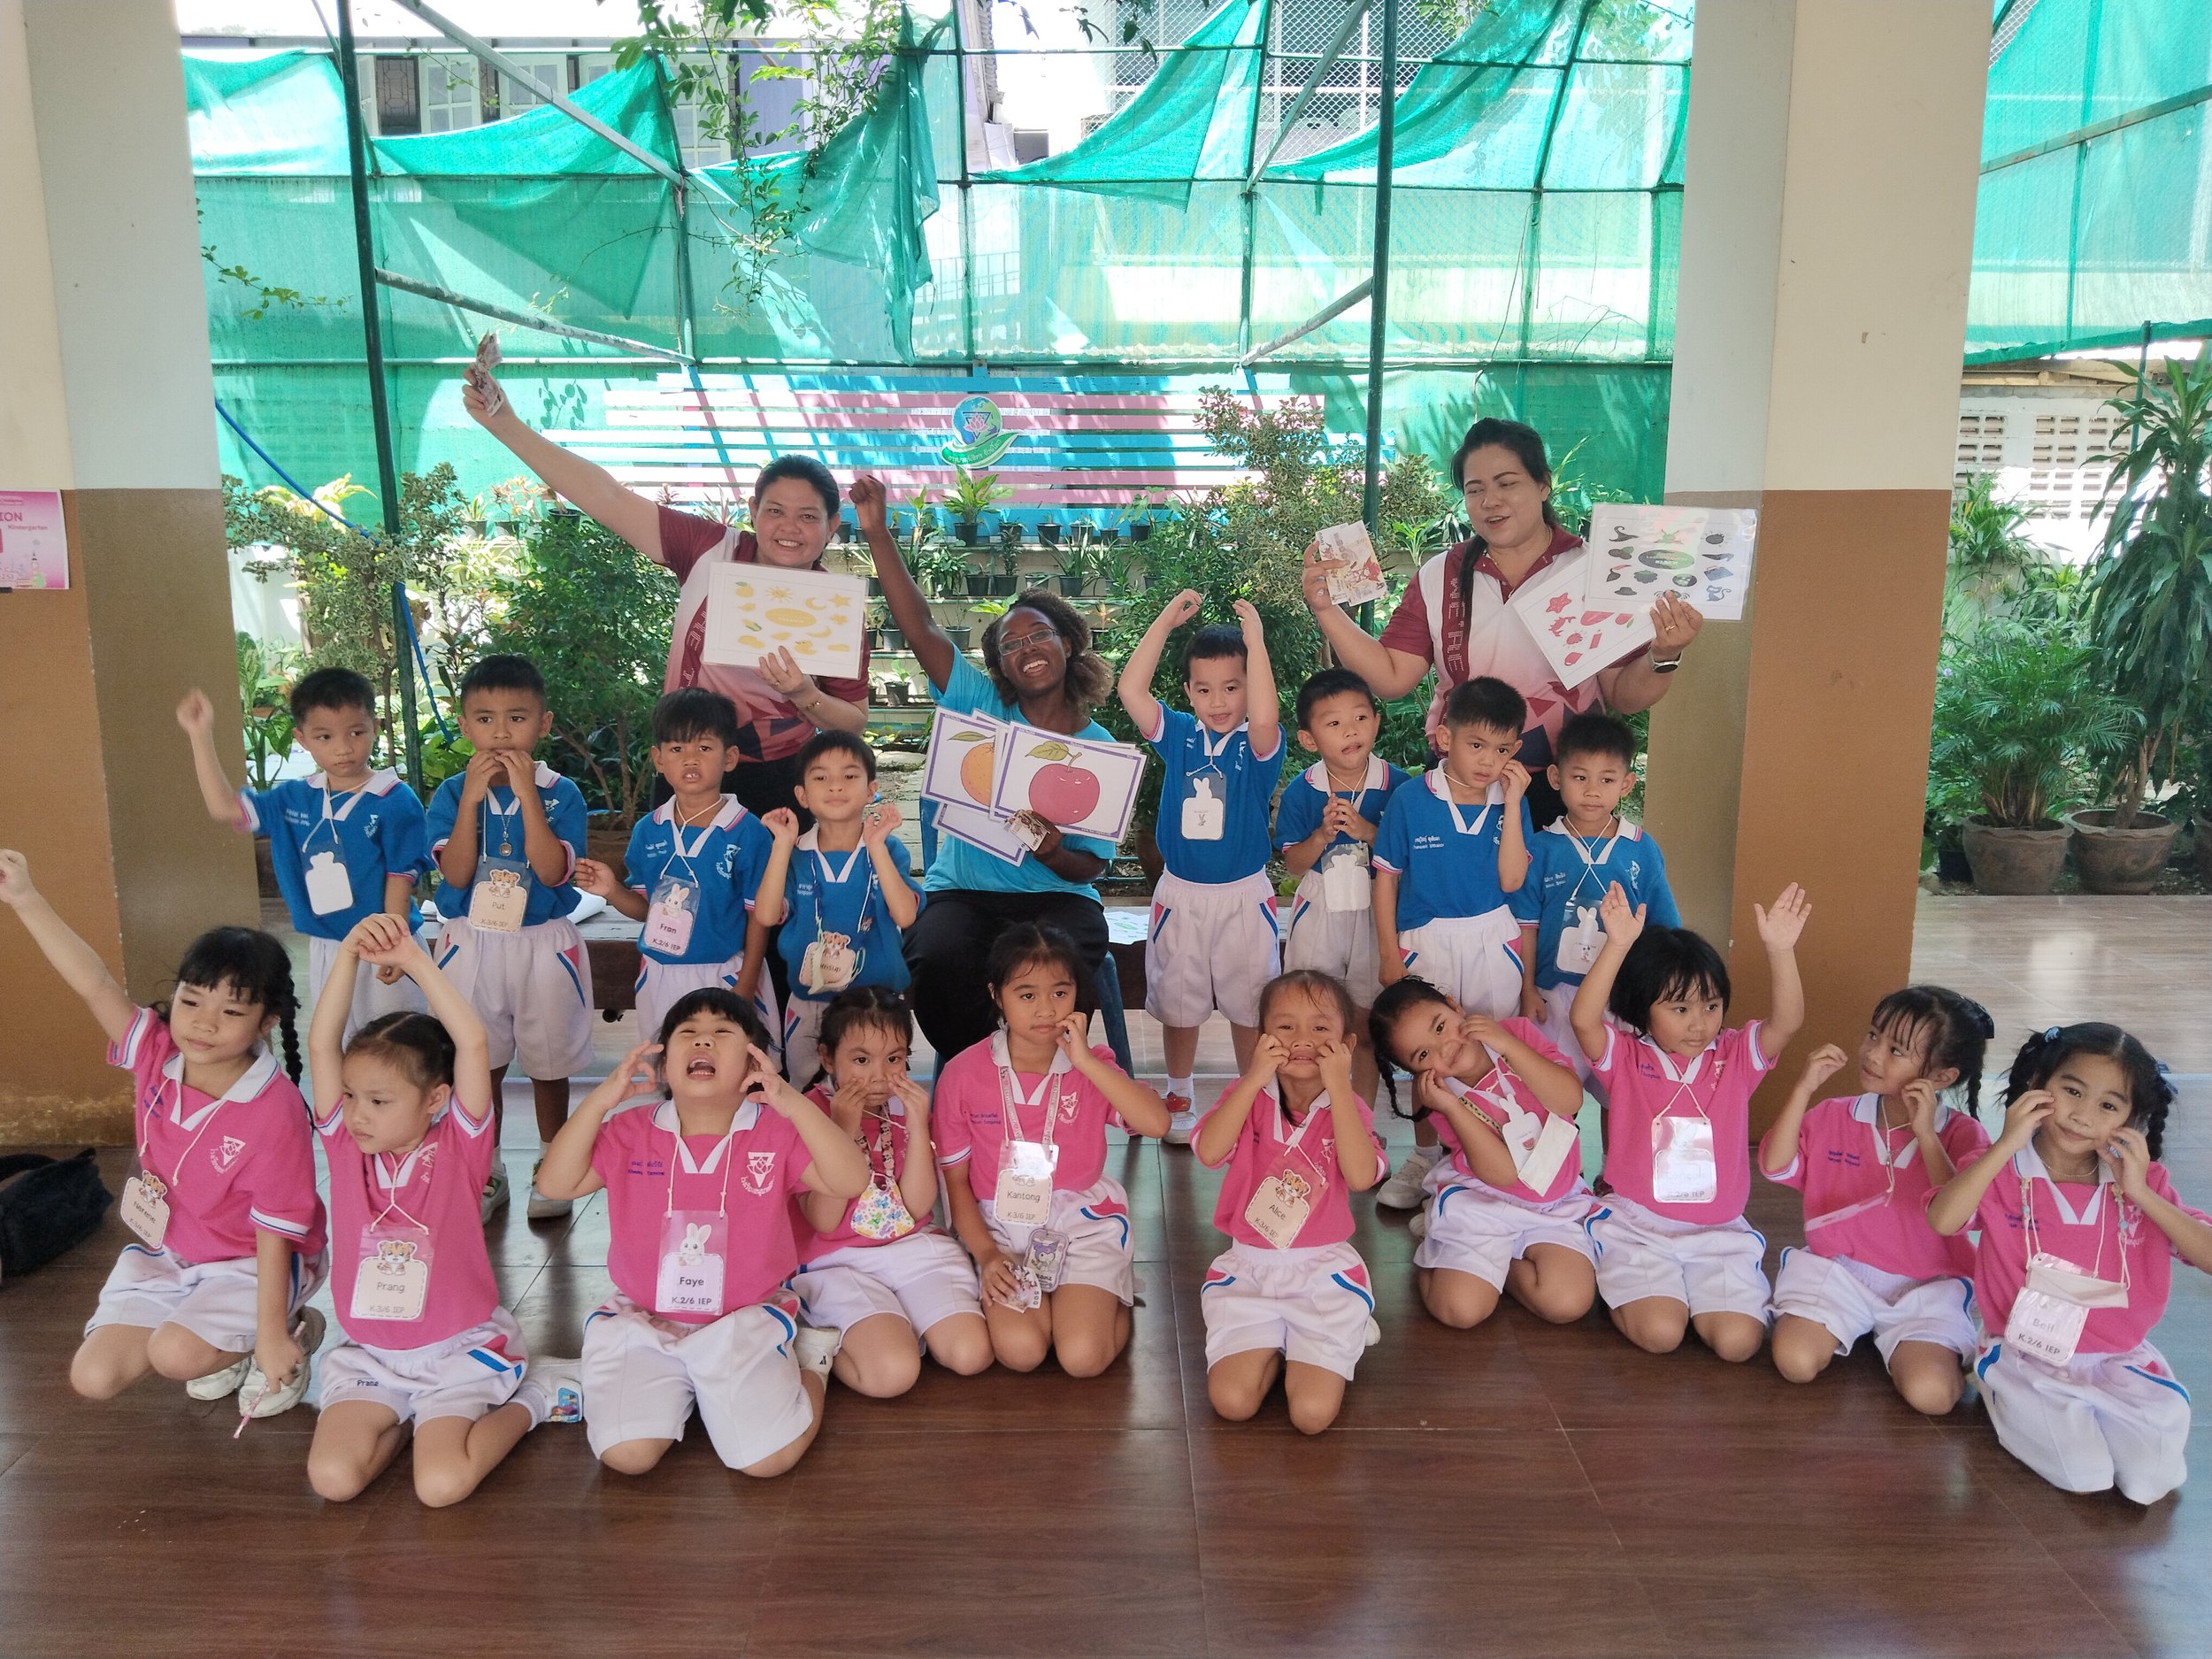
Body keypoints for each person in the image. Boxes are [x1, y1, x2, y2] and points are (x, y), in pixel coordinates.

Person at [462, 362, 868, 824]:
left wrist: (803, 693)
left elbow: (853, 721)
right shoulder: (709, 549)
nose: (789, 528)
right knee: (677, 895)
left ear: (833, 525)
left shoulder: (836, 612)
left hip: (781, 779)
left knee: (774, 897)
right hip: (686, 769)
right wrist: (504, 423)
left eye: (809, 517)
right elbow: (608, 497)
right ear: (753, 510)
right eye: (775, 510)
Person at [0, 850, 326, 1418]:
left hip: (253, 1262)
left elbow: (275, 1232)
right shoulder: (156, 1050)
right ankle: (218, 1342)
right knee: (93, 1377)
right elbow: (93, 981)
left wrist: (272, 1333)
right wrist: (25, 897)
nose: (202, 1023)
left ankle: (286, 1333)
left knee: (175, 1356)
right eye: (191, 1001)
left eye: (230, 1013)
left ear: (266, 1022)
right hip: (172, 1251)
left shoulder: (274, 1110)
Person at [1300, 417, 1702, 829]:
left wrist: (1665, 653)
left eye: (1506, 483)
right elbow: (1391, 678)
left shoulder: (1594, 570)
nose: (1490, 500)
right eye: (1475, 490)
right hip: (1460, 784)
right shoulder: (1441, 575)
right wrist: (1327, 611)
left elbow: (1623, 694)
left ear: (1543, 485)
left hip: (1564, 787)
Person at [303, 916, 580, 1507]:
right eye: (351, 1096)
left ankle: (535, 1397)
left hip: (456, 1352)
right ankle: (405, 1418)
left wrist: (416, 959)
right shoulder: (344, 1146)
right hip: (374, 1357)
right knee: (332, 1477)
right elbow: (321, 1044)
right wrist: (348, 954)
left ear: (435, 1098)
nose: (357, 1114)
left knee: (441, 1485)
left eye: (379, 1101)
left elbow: (474, 1043)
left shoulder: (460, 1147)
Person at [534, 989, 868, 1478]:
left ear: (755, 1061)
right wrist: (603, 1097)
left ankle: (810, 1363)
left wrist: (791, 1101)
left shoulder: (775, 1130)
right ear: (665, 1062)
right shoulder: (629, 1131)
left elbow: (849, 1180)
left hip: (742, 1320)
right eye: (687, 1034)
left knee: (765, 1462)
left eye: (723, 1034)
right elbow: (555, 1184)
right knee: (626, 1457)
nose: (702, 1043)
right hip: (645, 1320)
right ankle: (688, 1386)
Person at [863, 474, 1121, 1064]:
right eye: (1010, 643)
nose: (1026, 647)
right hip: (965, 895)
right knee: (938, 953)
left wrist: (1053, 851)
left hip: (1058, 898)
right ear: (999, 664)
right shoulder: (976, 701)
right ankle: (973, 1076)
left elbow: (1091, 865)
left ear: (1069, 643)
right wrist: (878, 532)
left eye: (1039, 634)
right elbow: (919, 626)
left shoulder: (1099, 746)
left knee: (1064, 958)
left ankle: (1042, 1074)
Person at [1931, 1025, 2212, 1505]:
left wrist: (2141, 1193)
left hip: (2117, 1360)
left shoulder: (2142, 1182)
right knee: (2083, 1473)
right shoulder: (2001, 1168)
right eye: (2072, 1090)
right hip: (2027, 1353)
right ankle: (2001, 1391)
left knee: (2151, 1481)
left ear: (2131, 1117)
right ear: (2041, 1082)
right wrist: (2003, 1146)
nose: (2082, 1115)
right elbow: (1943, 1219)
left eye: (2109, 1105)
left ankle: (2096, 1412)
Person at [1570, 880, 1811, 1363]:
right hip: (1639, 1227)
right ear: (1644, 1009)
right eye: (1679, 1009)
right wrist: (1618, 945)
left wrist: (1781, 951)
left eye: (1711, 1006)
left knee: (1740, 1345)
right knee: (1662, 1334)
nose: (1699, 1023)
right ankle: (1625, 1279)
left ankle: (1684, 1294)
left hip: (1719, 1235)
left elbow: (1786, 1023)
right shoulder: (1626, 1058)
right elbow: (1582, 1020)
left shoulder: (1737, 1055)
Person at [933, 924, 1171, 1377]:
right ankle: (1076, 1304)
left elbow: (1156, 1124)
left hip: (1083, 1228)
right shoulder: (962, 1075)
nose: (1046, 1009)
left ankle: (1112, 1293)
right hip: (1000, 1230)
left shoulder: (1092, 1064)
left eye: (1060, 993)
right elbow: (957, 1183)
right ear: (996, 995)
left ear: (1077, 994)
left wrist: (1085, 1061)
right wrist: (986, 1255)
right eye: (1026, 995)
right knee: (1021, 1353)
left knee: (1081, 1359)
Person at [1759, 987, 1993, 1415]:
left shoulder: (1965, 1136)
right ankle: (1852, 1327)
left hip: (1925, 1289)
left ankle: (1905, 1342)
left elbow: (1957, 1218)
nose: (1872, 1053)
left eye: (1896, 1050)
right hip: (1840, 1275)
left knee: (1934, 1398)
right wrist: (1803, 1088)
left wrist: (1926, 1135)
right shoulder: (1835, 1114)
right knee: (1794, 1361)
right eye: (1872, 1036)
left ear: (1942, 1077)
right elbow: (1775, 1167)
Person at [425, 655, 596, 1224]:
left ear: (543, 724)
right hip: (470, 939)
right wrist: (472, 802)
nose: (501, 732)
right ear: (464, 723)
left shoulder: (560, 791)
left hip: (541, 940)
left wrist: (526, 796)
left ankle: (554, 1165)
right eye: (485, 718)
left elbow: (551, 873)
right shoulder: (451, 794)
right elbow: (454, 876)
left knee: (549, 1060)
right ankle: (486, 1167)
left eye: (517, 717)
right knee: (480, 1058)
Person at [177, 672, 429, 1041]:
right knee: (340, 1045)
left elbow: (400, 876)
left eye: (356, 733)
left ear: (376, 727)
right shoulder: (293, 797)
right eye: (325, 737)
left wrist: (394, 945)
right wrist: (199, 735)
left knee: (401, 1046)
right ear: (302, 739)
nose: (343, 748)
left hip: (386, 943)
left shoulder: (395, 798)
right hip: (329, 948)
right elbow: (223, 807)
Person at [1118, 592, 1286, 1141]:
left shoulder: (1258, 746)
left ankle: (1253, 1101)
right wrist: (1164, 622)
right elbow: (1131, 690)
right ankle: (1180, 1094)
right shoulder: (1180, 737)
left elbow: (1264, 713)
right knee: (1179, 1002)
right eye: (1205, 688)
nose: (1219, 700)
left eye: (1232, 687)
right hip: (1181, 895)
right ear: (1188, 692)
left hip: (1243, 895)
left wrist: (1255, 642)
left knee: (1250, 1003)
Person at [1369, 676, 1535, 1209]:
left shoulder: (1512, 801)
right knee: (1428, 1053)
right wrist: (1391, 954)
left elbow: (1512, 882)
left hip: (1493, 934)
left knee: (1488, 1048)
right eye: (1477, 745)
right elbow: (1386, 878)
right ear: (1445, 738)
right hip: (1426, 939)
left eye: (1504, 749)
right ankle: (1425, 1158)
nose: (1489, 760)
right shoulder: (1410, 800)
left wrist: (1512, 803)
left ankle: (1490, 1159)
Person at [1194, 971, 1385, 1434]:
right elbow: (1209, 1150)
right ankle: (1280, 1344)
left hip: (1321, 1275)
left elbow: (1362, 1177)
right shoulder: (1247, 1098)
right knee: (1231, 1403)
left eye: (1321, 1028)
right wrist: (1254, 1076)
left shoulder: (1350, 1108)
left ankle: (1335, 1328)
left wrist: (1341, 1086)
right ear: (1261, 1038)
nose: (1303, 1040)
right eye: (1285, 1027)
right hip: (1250, 1270)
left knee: (1312, 1416)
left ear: (1347, 1042)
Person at [788, 988, 993, 1395]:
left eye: (895, 1059)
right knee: (893, 1375)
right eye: (861, 1060)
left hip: (912, 1249)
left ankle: (896, 1321)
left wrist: (919, 1126)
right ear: (828, 1058)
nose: (880, 1076)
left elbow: (917, 1208)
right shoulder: (806, 1115)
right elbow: (824, 1222)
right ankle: (814, 1342)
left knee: (972, 1354)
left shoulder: (903, 1107)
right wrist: (841, 1131)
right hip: (837, 1263)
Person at [1369, 977, 1597, 1330]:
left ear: (1454, 1005)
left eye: (1441, 1026)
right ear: (1417, 1072)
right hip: (1483, 1200)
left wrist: (1507, 1044)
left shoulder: (1517, 1032)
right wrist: (1451, 1106)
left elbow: (1570, 1100)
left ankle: (1495, 1269)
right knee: (1461, 1310)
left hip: (1554, 1199)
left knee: (1567, 1303)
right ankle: (1448, 1249)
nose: (1444, 1048)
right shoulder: (1441, 1093)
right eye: (1424, 1054)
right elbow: (1502, 1175)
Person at [574, 687, 773, 1055]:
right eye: (678, 749)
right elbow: (648, 910)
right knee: (668, 1067)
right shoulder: (649, 829)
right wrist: (612, 890)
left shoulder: (749, 832)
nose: (690, 760)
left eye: (704, 748)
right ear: (659, 758)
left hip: (724, 973)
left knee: (731, 1070)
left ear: (729, 757)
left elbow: (760, 917)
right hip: (660, 971)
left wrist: (746, 983)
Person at [1511, 710, 1678, 1087]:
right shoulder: (1539, 848)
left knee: (1621, 1094)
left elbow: (1663, 930)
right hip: (1553, 995)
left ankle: (1611, 1151)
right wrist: (1527, 991)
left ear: (1626, 784)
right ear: (1556, 778)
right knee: (1552, 1090)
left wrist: (1655, 996)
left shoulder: (1641, 849)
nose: (1591, 790)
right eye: (1580, 777)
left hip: (1621, 995)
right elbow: (1526, 927)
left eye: (1606, 779)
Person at [752, 731, 924, 1089]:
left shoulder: (887, 849)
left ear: (870, 789)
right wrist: (782, 845)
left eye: (850, 776)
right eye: (821, 777)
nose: (836, 787)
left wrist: (875, 846)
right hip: (808, 1001)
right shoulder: (794, 853)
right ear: (802, 795)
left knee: (877, 1086)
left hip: (876, 1003)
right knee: (805, 1084)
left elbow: (906, 916)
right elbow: (767, 916)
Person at [1277, 667, 1412, 1107]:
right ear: (1309, 739)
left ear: (1376, 720)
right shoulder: (1303, 790)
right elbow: (1292, 863)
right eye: (1333, 723)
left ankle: (1363, 1124)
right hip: (1320, 906)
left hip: (1379, 910)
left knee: (1368, 1020)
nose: (1350, 731)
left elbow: (1412, 858)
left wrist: (1371, 832)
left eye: (1359, 718)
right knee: (1312, 1013)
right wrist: (1321, 836)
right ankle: (1311, 1118)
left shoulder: (1400, 788)